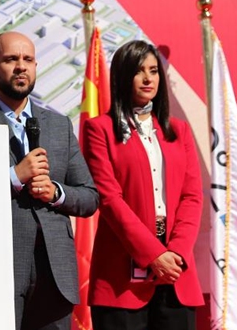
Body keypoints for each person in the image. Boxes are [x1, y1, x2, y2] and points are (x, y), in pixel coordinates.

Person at [0, 31, 99, 330]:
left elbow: (89, 197)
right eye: (11, 59)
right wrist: (13, 178)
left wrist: (55, 192)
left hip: (55, 276)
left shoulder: (57, 124)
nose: (21, 66)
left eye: (28, 59)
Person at [81, 40, 204, 330]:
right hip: (120, 280)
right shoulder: (99, 129)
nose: (149, 78)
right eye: (139, 71)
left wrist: (175, 253)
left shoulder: (179, 131)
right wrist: (153, 254)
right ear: (123, 77)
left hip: (176, 272)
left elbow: (192, 196)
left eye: (154, 71)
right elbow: (109, 199)